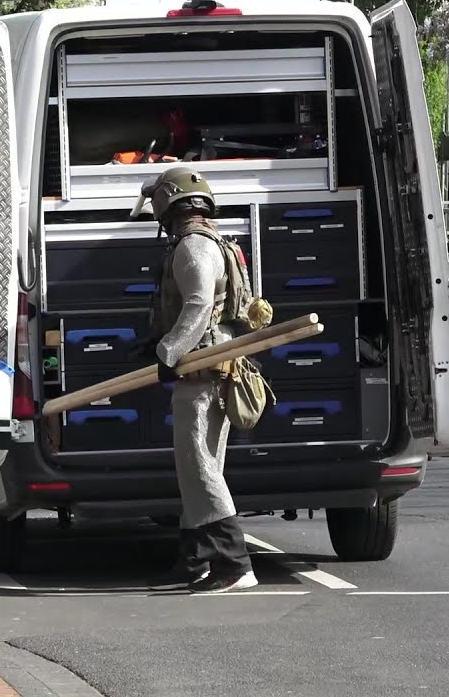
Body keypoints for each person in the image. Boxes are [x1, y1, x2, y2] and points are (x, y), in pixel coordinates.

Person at [130, 166, 257, 594]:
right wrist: (158, 344)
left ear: (167, 204)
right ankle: (195, 559)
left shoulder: (192, 246)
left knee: (199, 465)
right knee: (199, 466)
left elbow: (200, 303)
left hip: (200, 372)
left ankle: (234, 563)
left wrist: (168, 351)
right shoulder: (215, 242)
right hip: (214, 367)